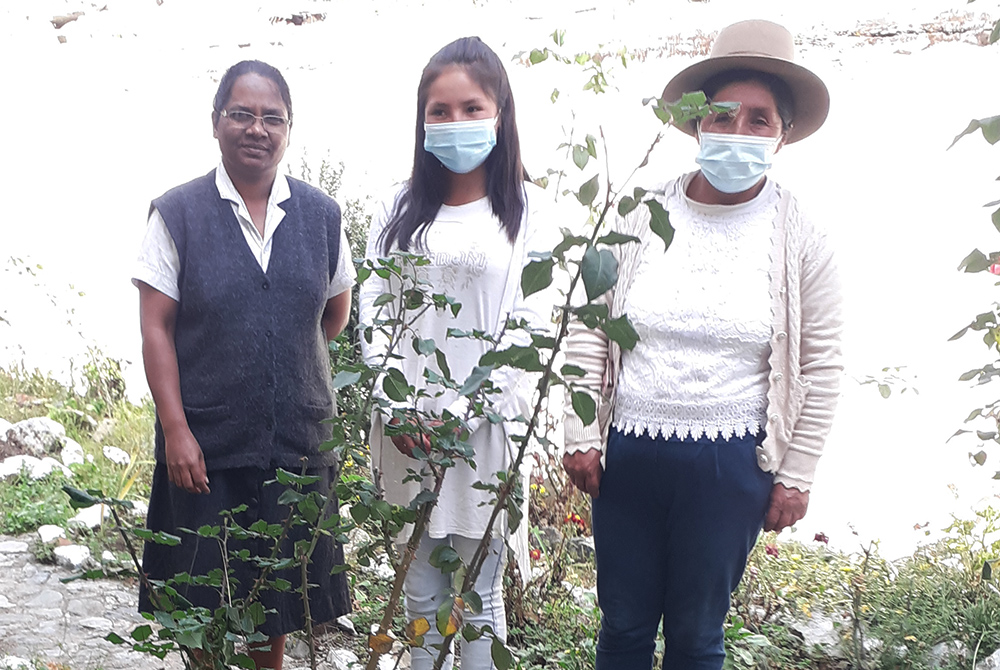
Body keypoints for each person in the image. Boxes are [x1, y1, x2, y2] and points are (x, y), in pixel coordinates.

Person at [561, 20, 842, 670]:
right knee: (623, 629)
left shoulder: (803, 239)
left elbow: (823, 366)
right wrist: (579, 432)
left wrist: (796, 475)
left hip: (731, 471)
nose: (737, 133)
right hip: (628, 458)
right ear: (695, 124)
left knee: (697, 638)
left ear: (783, 134)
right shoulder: (638, 215)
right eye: (722, 116)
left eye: (758, 121)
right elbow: (588, 325)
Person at [133, 60, 353, 670]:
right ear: (215, 122)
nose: (256, 128)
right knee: (199, 602)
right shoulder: (177, 214)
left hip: (295, 447)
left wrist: (283, 358)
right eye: (241, 113)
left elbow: (332, 316)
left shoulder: (321, 217)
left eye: (271, 117)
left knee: (275, 604)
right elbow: (156, 326)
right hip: (203, 445)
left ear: (288, 128)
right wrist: (176, 429)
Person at [359, 36, 554, 670]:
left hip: (484, 437)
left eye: (472, 108)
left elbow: (531, 330)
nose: (454, 123)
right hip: (404, 433)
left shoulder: (527, 212)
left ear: (501, 113)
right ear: (421, 121)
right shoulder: (396, 207)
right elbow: (373, 312)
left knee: (478, 593)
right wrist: (397, 405)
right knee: (417, 589)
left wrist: (462, 415)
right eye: (438, 111)